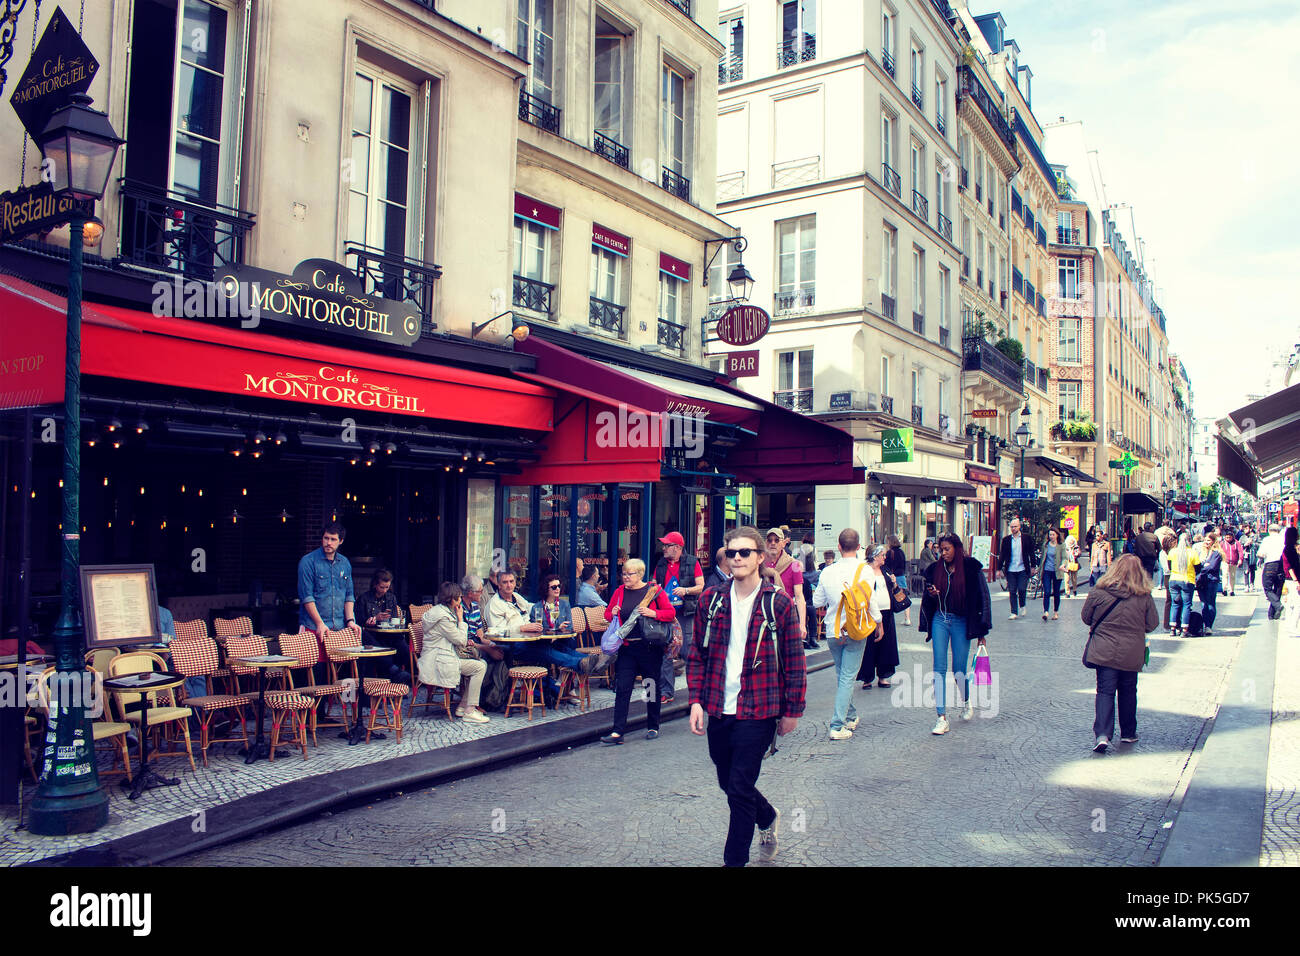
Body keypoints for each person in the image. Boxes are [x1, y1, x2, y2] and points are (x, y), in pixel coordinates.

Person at [687, 526, 806, 866]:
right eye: (732, 553)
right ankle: (766, 814)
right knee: (728, 780)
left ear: (760, 558)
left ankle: (734, 861)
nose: (737, 558)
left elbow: (795, 663)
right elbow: (696, 654)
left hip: (760, 707)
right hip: (718, 707)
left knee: (739, 787)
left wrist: (792, 710)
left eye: (745, 553)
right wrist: (695, 700)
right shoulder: (711, 600)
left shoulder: (778, 604)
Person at [1080, 554, 1159, 753]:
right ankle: (1128, 732)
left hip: (1104, 651)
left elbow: (1086, 617)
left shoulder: (1099, 591)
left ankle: (1103, 734)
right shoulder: (1144, 596)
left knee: (1105, 691)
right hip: (1131, 652)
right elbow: (1152, 624)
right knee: (1128, 691)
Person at [919, 534, 991, 735]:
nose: (943, 553)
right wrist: (932, 594)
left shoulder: (971, 568)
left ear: (957, 549)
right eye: (941, 549)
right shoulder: (935, 569)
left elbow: (983, 599)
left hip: (961, 621)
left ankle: (966, 700)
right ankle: (941, 717)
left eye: (947, 549)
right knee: (938, 668)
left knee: (958, 669)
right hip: (940, 619)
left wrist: (982, 632)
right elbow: (927, 598)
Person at [601, 559, 676, 745]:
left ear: (640, 575)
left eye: (630, 574)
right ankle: (618, 732)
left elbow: (670, 613)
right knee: (623, 687)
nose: (626, 577)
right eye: (624, 573)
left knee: (650, 686)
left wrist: (653, 614)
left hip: (649, 648)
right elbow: (607, 614)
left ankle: (653, 725)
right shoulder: (619, 592)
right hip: (627, 648)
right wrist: (613, 613)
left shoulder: (654, 591)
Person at [812, 528, 871, 740]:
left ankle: (851, 715)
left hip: (832, 630)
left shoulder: (827, 571)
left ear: (838, 547)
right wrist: (879, 623)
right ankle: (837, 725)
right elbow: (870, 602)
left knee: (842, 675)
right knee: (847, 677)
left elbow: (817, 601)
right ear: (858, 547)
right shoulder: (866, 570)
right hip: (855, 629)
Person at [419, 582, 490, 724]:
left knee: (480, 663)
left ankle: (463, 706)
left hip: (441, 657)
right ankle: (470, 710)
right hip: (438, 661)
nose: (460, 600)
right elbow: (461, 640)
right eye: (458, 598)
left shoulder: (439, 611)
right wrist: (460, 619)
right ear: (450, 599)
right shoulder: (443, 618)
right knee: (480, 667)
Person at [653, 532, 703, 704]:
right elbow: (653, 583)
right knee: (666, 651)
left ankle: (696, 692)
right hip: (666, 614)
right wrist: (655, 589)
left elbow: (701, 586)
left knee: (688, 651)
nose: (664, 548)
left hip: (685, 613)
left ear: (678, 548)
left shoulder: (692, 562)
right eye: (664, 545)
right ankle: (666, 691)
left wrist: (685, 590)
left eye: (667, 545)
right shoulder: (660, 563)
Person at [298, 521, 356, 638]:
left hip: (339, 628)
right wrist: (320, 623)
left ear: (341, 541)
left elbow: (349, 596)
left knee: (342, 657)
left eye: (333, 539)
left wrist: (350, 621)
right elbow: (306, 597)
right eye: (326, 538)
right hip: (313, 627)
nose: (328, 543)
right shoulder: (308, 561)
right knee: (313, 657)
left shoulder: (345, 563)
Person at [857, 544, 900, 689]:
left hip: (886, 610)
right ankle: (867, 677)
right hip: (869, 612)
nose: (885, 557)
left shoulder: (885, 570)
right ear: (875, 556)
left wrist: (894, 583)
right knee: (869, 643)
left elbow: (891, 588)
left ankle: (883, 675)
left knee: (886, 644)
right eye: (882, 554)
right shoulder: (865, 570)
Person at [764, 528, 807, 642]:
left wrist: (802, 624)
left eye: (777, 540)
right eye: (770, 540)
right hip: (763, 618)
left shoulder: (794, 564)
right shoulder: (759, 564)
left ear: (783, 543)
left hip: (786, 616)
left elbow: (799, 596)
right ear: (766, 543)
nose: (773, 543)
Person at [999, 517, 1038, 619]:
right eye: (1011, 527)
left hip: (1023, 569)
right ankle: (1014, 612)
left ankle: (1023, 605)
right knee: (1012, 591)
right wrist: (999, 569)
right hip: (1011, 569)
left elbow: (1031, 553)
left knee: (1021, 589)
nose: (1013, 529)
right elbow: (1002, 555)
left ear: (1019, 527)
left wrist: (1033, 567)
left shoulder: (1026, 538)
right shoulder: (1006, 540)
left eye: (1015, 526)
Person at [529, 573, 575, 649]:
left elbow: (570, 627)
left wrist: (560, 632)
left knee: (566, 646)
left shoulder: (565, 604)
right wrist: (557, 629)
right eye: (554, 587)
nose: (557, 589)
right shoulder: (536, 608)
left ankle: (587, 659)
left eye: (559, 586)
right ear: (546, 589)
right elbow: (536, 630)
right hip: (545, 643)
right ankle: (586, 659)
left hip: (563, 641)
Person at [1166, 534, 1200, 637]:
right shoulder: (1192, 553)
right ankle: (1185, 629)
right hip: (1187, 580)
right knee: (1186, 604)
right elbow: (1198, 568)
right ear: (1189, 541)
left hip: (1173, 580)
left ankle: (1173, 628)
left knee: (1175, 604)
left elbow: (1170, 566)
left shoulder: (1172, 552)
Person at [1196, 532, 1223, 635]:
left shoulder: (1216, 553)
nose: (1206, 542)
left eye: (1208, 540)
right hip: (1201, 581)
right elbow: (1198, 565)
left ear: (1213, 541)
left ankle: (1208, 626)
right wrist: (1204, 566)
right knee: (1203, 604)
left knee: (1210, 603)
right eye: (1205, 540)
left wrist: (1203, 567)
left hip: (1211, 581)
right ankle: (1205, 625)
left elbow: (1212, 567)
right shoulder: (1201, 552)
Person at [1260, 524, 1287, 620]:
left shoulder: (1267, 540)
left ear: (1269, 530)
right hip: (1281, 566)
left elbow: (1261, 553)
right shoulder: (1283, 539)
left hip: (1270, 565)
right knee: (1277, 589)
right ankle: (1272, 614)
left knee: (1267, 588)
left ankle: (1278, 605)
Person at [1039, 528, 1066, 620]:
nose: (1051, 537)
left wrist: (1063, 564)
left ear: (1057, 535)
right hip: (1047, 570)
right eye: (1050, 535)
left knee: (1056, 592)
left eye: (1053, 535)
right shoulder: (1046, 545)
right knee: (1046, 592)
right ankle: (1046, 612)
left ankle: (1055, 612)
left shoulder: (1061, 545)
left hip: (1057, 571)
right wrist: (1039, 569)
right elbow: (1042, 558)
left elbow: (1064, 557)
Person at [885, 534, 911, 627]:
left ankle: (889, 618)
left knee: (890, 596)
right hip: (901, 576)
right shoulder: (901, 552)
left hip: (893, 577)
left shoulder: (889, 553)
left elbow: (886, 566)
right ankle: (907, 618)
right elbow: (903, 565)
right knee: (904, 596)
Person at [1089, 524, 1112, 588]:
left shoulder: (1107, 544)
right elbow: (1092, 556)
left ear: (1102, 536)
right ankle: (1097, 590)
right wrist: (1091, 566)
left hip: (1103, 564)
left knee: (1102, 580)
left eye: (1098, 536)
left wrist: (1109, 565)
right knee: (1096, 580)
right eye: (1096, 536)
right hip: (1095, 564)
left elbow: (1108, 555)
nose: (1097, 537)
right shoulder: (1094, 545)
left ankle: (1101, 591)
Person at [1221, 532, 1242, 597]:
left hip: (1233, 562)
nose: (1228, 539)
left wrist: (1240, 559)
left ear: (1232, 537)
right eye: (1227, 537)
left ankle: (1231, 590)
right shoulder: (1222, 543)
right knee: (1225, 575)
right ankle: (1224, 589)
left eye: (1229, 537)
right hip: (1225, 561)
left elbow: (1240, 551)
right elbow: (1219, 551)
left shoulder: (1237, 543)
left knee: (1232, 576)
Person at [1063, 531, 1082, 598]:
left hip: (1074, 564)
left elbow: (1079, 553)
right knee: (1066, 579)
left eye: (1071, 541)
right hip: (1066, 564)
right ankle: (1067, 592)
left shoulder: (1076, 547)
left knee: (1074, 579)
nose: (1070, 542)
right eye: (1069, 541)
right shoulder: (1065, 547)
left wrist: (1076, 554)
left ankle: (1074, 589)